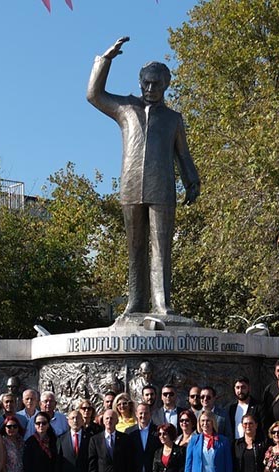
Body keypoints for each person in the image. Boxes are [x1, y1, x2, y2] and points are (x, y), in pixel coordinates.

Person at [87, 36, 200, 316]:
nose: (150, 89)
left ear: (166, 85)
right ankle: (136, 303)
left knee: (161, 249)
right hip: (131, 187)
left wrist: (192, 180)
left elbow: (182, 154)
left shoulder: (173, 118)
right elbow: (94, 95)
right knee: (135, 249)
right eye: (146, 83)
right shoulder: (126, 108)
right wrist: (106, 60)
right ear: (140, 83)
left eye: (156, 84)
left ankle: (162, 303)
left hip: (162, 189)